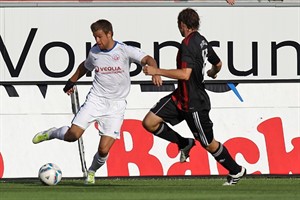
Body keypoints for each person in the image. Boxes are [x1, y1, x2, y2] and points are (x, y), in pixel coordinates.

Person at [32, 19, 162, 184]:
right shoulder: (94, 52)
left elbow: (149, 59)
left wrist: (155, 72)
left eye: (100, 37)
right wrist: (71, 81)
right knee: (73, 135)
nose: (97, 41)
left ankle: (91, 172)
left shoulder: (124, 50)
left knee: (103, 149)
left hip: (116, 105)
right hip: (96, 100)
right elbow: (85, 66)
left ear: (109, 34)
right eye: (95, 37)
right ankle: (51, 133)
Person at [142, 8, 246, 185]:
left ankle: (237, 171)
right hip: (180, 97)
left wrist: (156, 71)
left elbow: (185, 74)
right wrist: (213, 72)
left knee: (208, 144)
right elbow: (218, 63)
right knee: (149, 122)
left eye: (179, 25)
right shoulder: (202, 40)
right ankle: (183, 143)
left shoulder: (188, 44)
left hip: (194, 103)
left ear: (182, 25)